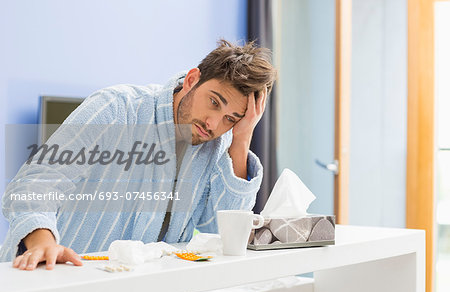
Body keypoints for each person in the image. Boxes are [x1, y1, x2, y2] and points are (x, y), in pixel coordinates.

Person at [0, 39, 277, 270]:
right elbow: (36, 182)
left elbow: (221, 230)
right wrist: (42, 242)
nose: (213, 124)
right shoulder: (116, 109)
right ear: (192, 80)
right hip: (65, 278)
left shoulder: (218, 143)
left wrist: (241, 139)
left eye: (231, 118)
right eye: (214, 102)